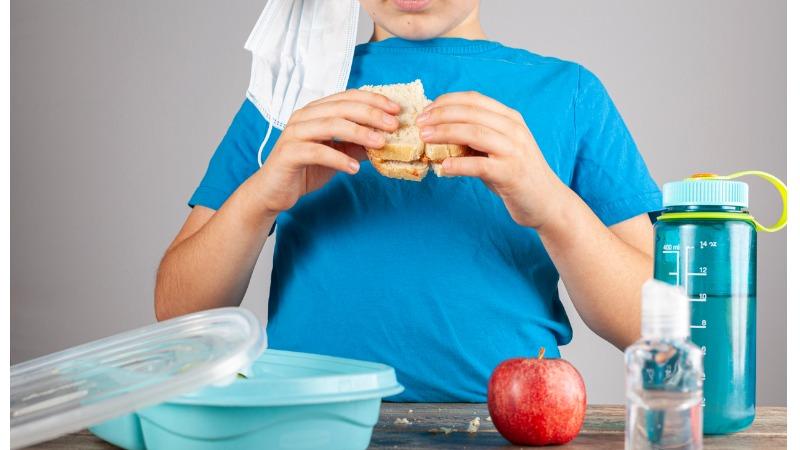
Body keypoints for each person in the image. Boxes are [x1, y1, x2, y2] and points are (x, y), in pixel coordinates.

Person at [155, 0, 661, 402]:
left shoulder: (569, 94)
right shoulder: (288, 95)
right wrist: (261, 196)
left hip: (510, 429)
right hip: (307, 425)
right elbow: (179, 311)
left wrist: (552, 204)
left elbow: (649, 328)